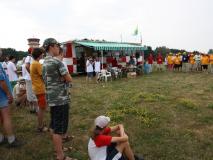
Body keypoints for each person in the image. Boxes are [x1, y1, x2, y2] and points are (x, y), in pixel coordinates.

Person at [42, 38, 73, 160]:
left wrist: (61, 78)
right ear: (51, 47)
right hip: (60, 99)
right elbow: (69, 79)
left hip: (52, 98)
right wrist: (62, 78)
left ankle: (58, 149)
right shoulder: (56, 62)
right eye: (56, 45)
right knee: (58, 129)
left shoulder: (44, 62)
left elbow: (48, 79)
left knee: (54, 126)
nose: (58, 48)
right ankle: (61, 156)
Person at [0, 49, 22, 148]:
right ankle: (11, 140)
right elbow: (1, 82)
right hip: (2, 96)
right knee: (6, 117)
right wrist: (8, 94)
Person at [30, 48, 48, 132]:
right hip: (40, 89)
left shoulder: (33, 63)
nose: (43, 55)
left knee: (42, 107)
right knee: (42, 108)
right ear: (39, 54)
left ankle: (41, 124)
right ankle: (40, 127)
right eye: (42, 53)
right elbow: (43, 76)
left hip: (37, 88)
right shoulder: (37, 64)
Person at [22, 48, 38, 113]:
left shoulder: (31, 58)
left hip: (29, 78)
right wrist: (32, 74)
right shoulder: (29, 57)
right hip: (30, 78)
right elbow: (27, 66)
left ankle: (33, 108)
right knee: (31, 94)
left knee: (31, 93)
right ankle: (34, 108)